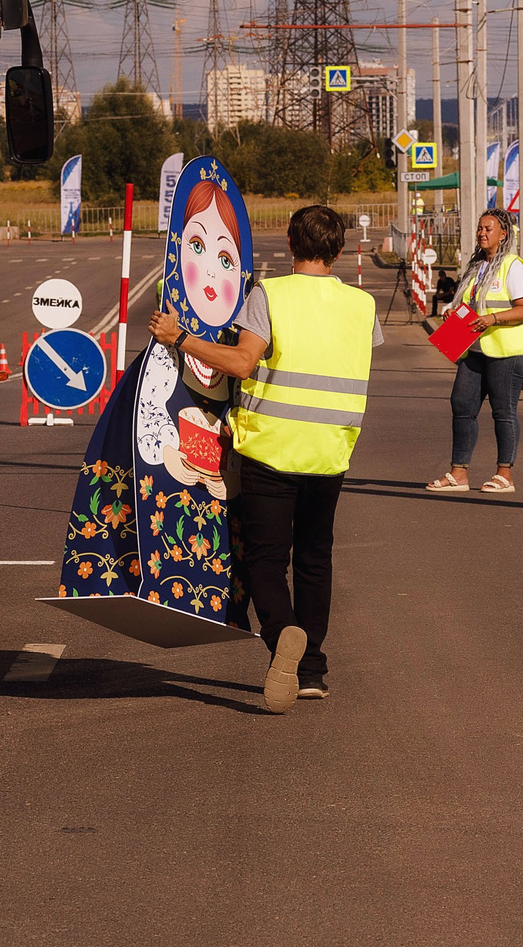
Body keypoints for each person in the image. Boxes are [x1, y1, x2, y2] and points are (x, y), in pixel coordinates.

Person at [152, 203, 376, 711]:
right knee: (316, 559)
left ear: (291, 246)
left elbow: (240, 361)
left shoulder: (270, 294)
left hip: (272, 447)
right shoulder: (361, 306)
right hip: (331, 452)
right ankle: (313, 670)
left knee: (265, 560)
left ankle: (283, 635)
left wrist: (180, 337)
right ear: (338, 252)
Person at [428, 208, 523, 495]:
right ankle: (458, 474)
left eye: (488, 229)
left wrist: (493, 319)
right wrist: (451, 312)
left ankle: (504, 474)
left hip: (507, 350)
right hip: (474, 349)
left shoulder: (512, 266)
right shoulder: (475, 266)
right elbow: (470, 303)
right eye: (479, 228)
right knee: (462, 405)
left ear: (503, 235)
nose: (482, 233)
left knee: (503, 410)